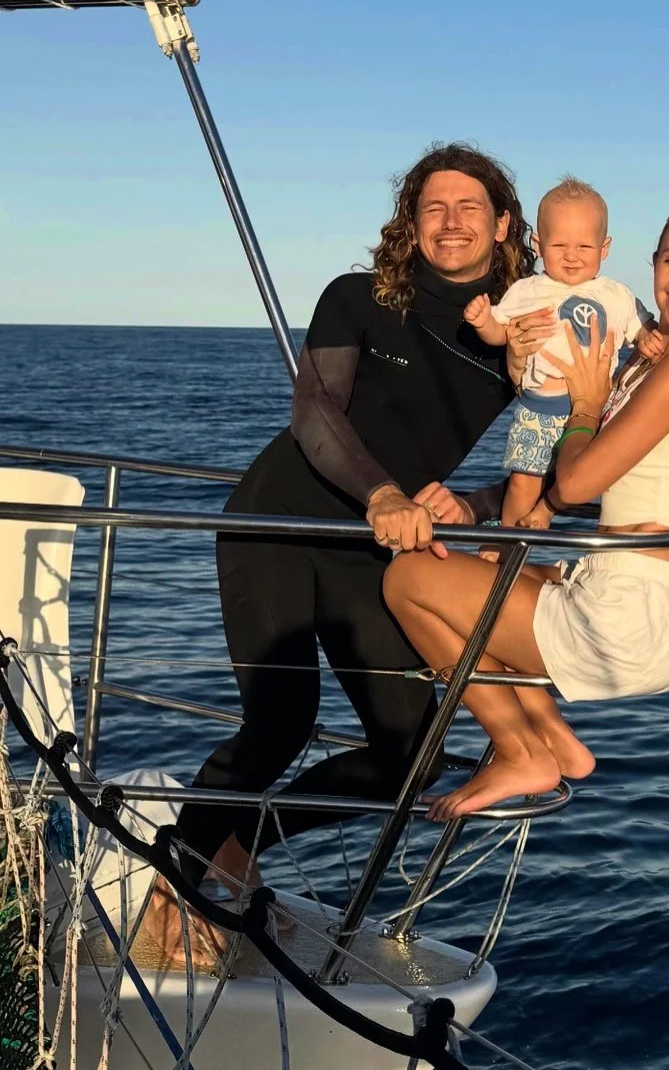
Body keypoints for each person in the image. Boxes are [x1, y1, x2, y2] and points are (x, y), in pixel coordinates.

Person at [144, 142, 544, 960]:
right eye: (432, 207)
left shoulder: (519, 333)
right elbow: (316, 412)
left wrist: (470, 504)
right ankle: (173, 884)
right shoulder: (359, 297)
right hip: (280, 522)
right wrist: (384, 494)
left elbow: (560, 451)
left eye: (469, 207)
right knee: (279, 722)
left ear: (503, 224)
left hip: (375, 550)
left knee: (411, 757)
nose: (451, 222)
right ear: (410, 222)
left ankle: (235, 847)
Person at [383, 192, 669, 821]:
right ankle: (553, 740)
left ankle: (519, 749)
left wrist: (586, 403)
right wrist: (477, 503)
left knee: (407, 579)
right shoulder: (652, 358)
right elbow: (572, 463)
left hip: (629, 615)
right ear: (653, 262)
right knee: (484, 566)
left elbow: (577, 483)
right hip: (625, 587)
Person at [464, 177, 664, 531]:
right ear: (538, 245)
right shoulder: (527, 290)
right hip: (540, 407)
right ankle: (505, 542)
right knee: (523, 484)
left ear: (604, 248)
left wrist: (647, 338)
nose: (572, 256)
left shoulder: (616, 295)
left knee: (595, 482)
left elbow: (640, 328)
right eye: (559, 245)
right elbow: (501, 333)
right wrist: (483, 322)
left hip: (597, 412)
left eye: (584, 246)